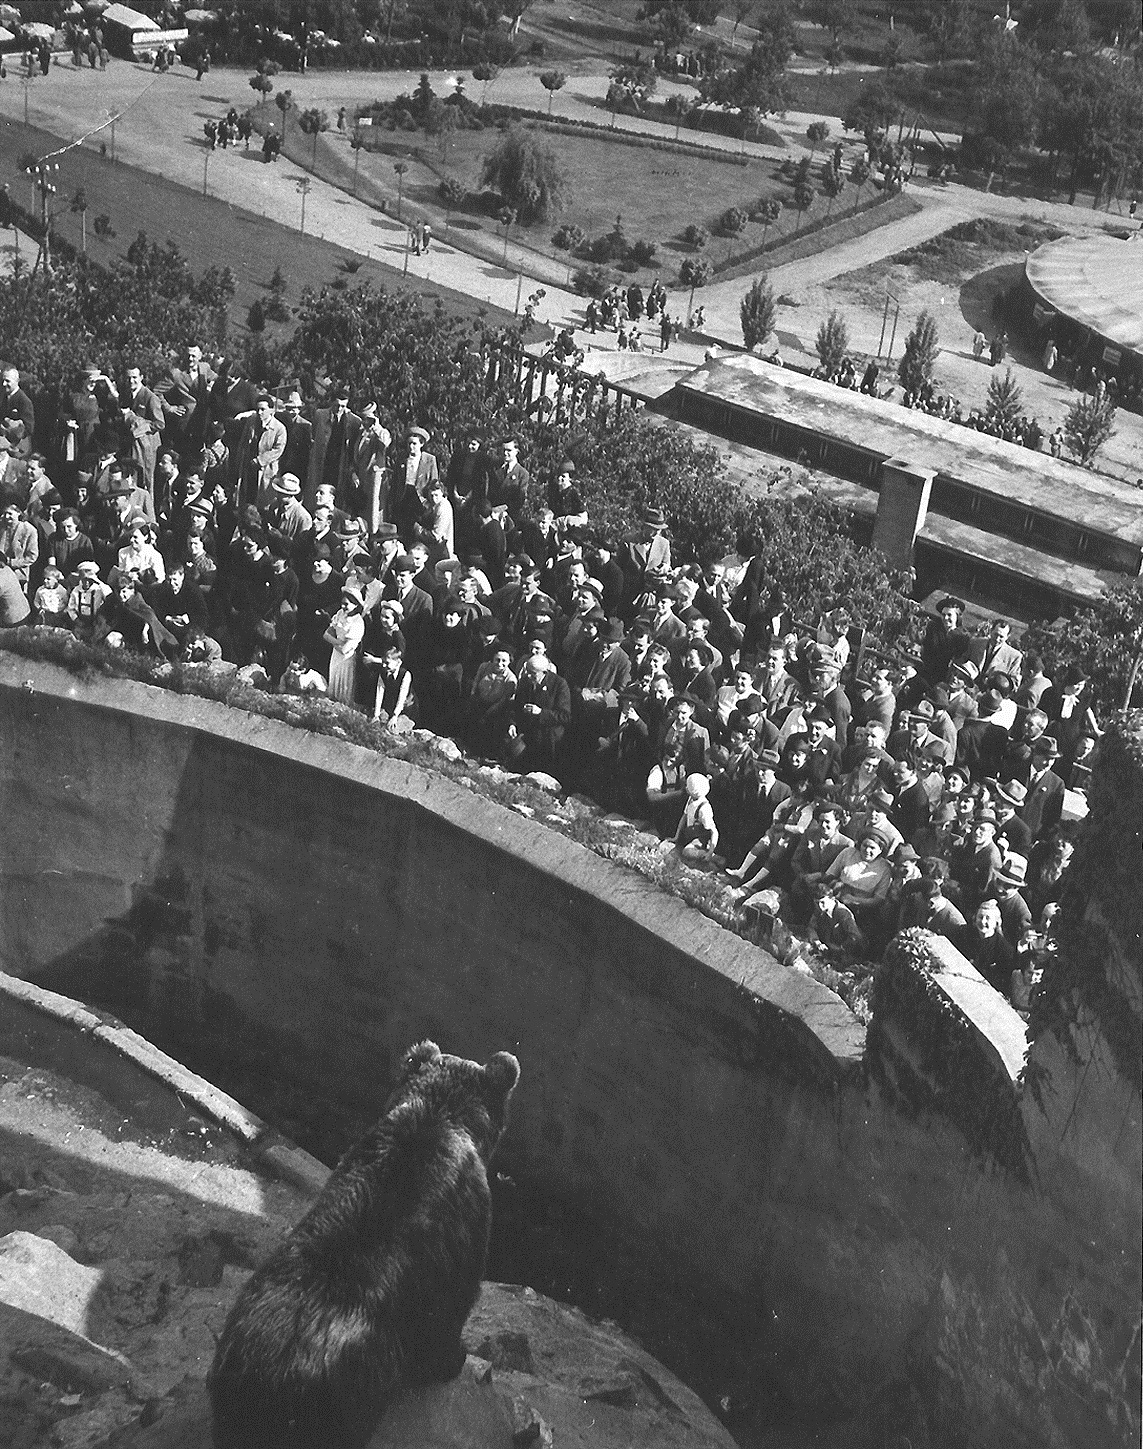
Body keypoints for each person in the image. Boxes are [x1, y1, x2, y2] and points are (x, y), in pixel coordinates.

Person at [324, 584, 366, 705]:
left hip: (346, 660)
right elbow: (325, 634)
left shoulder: (358, 622)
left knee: (344, 688)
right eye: (342, 603)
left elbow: (345, 650)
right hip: (335, 656)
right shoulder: (340, 614)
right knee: (333, 683)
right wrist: (338, 642)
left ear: (356, 605)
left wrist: (333, 641)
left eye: (346, 604)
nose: (343, 606)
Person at [671, 773, 720, 864]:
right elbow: (684, 816)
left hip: (701, 839)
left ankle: (711, 856)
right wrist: (676, 836)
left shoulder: (704, 808)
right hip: (690, 834)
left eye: (688, 786)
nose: (686, 787)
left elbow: (714, 831)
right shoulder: (691, 799)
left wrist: (710, 851)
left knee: (686, 852)